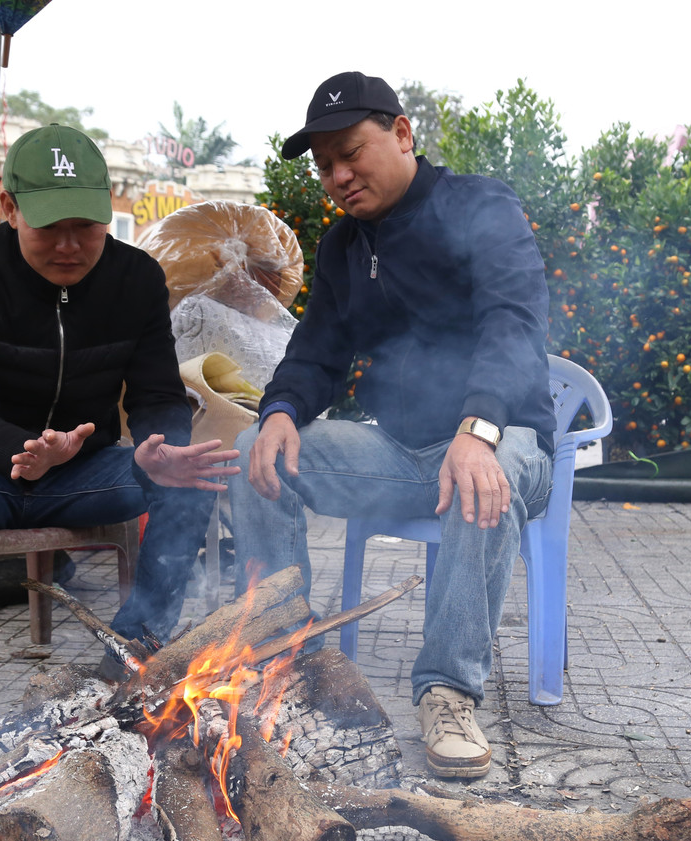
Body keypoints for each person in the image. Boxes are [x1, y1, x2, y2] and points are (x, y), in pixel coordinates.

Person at [229, 73, 556, 780]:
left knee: (479, 476)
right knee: (254, 452)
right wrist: (281, 410)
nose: (339, 176)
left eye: (352, 153)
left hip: (503, 436)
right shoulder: (345, 246)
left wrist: (479, 427)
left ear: (402, 134)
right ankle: (280, 660)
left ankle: (448, 691)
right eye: (325, 167)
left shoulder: (481, 207)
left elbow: (515, 323)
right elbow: (315, 350)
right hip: (400, 449)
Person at [0, 124, 239, 752]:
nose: (70, 246)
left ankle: (133, 652)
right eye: (49, 227)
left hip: (86, 475)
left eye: (88, 227)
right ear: (8, 207)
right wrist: (20, 451)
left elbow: (155, 393)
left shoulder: (136, 279)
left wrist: (159, 443)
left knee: (187, 472)